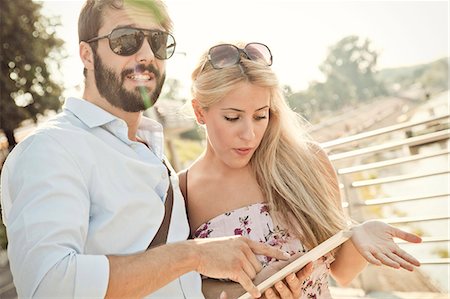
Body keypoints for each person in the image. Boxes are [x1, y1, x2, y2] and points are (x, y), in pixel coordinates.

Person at [0, 2, 302, 298]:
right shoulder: (51, 149)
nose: (146, 54)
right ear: (87, 54)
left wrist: (255, 287)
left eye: (158, 42)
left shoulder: (152, 154)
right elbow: (49, 286)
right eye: (125, 40)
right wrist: (193, 255)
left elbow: (175, 285)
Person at [178, 41, 423, 298]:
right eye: (232, 117)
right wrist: (253, 287)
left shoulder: (308, 162)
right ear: (199, 112)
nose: (249, 135)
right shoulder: (183, 191)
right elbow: (186, 288)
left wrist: (360, 233)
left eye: (260, 116)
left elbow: (342, 273)